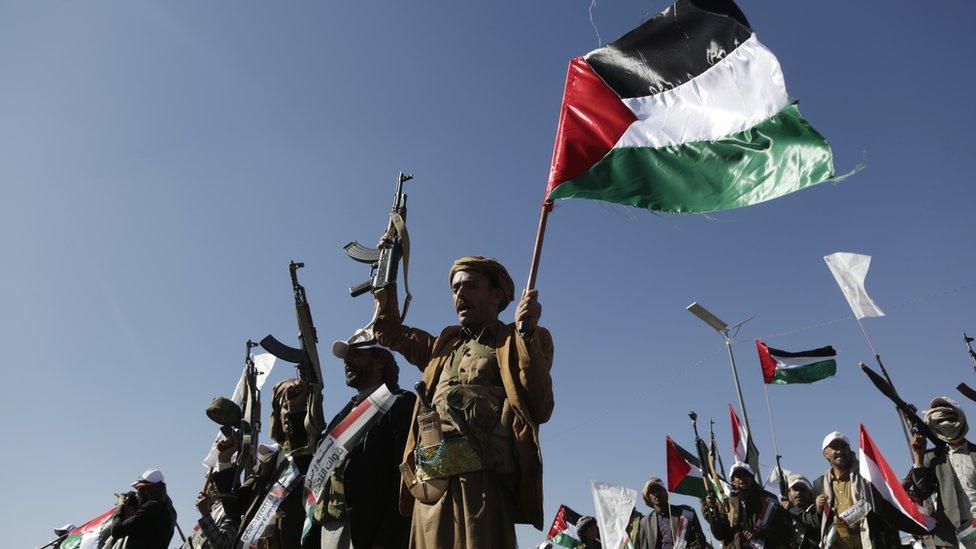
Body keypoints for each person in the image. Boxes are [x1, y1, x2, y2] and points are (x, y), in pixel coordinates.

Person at [373, 256, 554, 547]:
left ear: (496, 295)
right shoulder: (442, 346)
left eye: (470, 286)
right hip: (430, 484)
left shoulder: (516, 341)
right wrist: (386, 266)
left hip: (481, 487)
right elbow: (388, 331)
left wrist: (526, 334)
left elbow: (540, 406)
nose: (460, 294)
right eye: (456, 288)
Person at [308, 342, 416, 548]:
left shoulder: (400, 403)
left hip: (369, 531)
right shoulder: (342, 415)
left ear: (379, 363)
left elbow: (403, 479)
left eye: (356, 354)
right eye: (347, 356)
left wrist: (387, 538)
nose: (347, 361)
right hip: (330, 527)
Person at [215, 378, 318, 548]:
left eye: (300, 405)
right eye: (285, 406)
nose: (289, 411)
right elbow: (235, 509)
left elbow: (302, 453)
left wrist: (296, 410)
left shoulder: (317, 452)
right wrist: (224, 460)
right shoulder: (268, 462)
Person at [905, 396, 976, 547]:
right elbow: (922, 493)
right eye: (939, 421)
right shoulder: (933, 458)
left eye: (949, 418)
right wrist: (919, 456)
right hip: (951, 538)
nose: (945, 424)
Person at [813, 431, 900, 548]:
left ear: (849, 450)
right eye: (834, 447)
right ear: (826, 454)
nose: (840, 451)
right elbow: (820, 522)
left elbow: (885, 503)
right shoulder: (820, 483)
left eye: (843, 447)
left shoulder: (866, 473)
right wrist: (819, 509)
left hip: (866, 541)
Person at [703, 462, 790, 548]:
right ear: (732, 481)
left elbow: (783, 531)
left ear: (752, 479)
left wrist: (759, 532)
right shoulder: (726, 504)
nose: (743, 479)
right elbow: (720, 534)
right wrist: (714, 509)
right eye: (738, 476)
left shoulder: (767, 500)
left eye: (746, 475)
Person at [107, 469, 176, 549]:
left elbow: (116, 531)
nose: (138, 494)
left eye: (140, 490)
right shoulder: (167, 510)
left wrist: (120, 507)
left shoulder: (151, 507)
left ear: (146, 490)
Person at [636, 477, 707, 549]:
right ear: (648, 497)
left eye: (658, 489)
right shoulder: (645, 522)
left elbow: (700, 541)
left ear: (665, 492)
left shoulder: (686, 511)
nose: (656, 494)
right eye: (652, 492)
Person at [780, 474, 819, 549]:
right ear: (788, 494)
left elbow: (814, 522)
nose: (799, 493)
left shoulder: (816, 511)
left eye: (803, 489)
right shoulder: (782, 513)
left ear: (810, 494)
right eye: (795, 489)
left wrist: (792, 509)